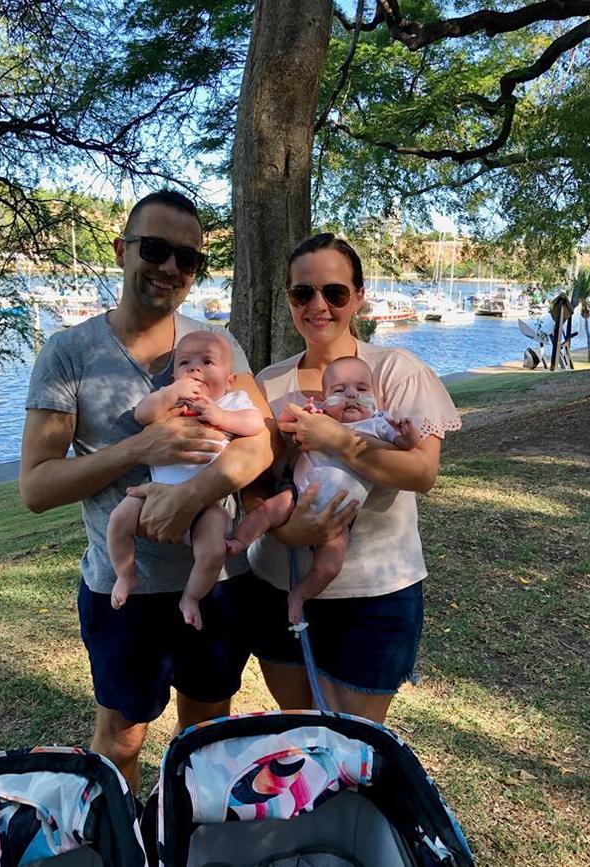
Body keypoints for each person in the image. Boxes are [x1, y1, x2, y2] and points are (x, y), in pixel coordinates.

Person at [20, 189, 272, 791]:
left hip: (213, 587)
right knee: (121, 739)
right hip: (123, 590)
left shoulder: (218, 344)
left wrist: (192, 495)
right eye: (155, 249)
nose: (170, 268)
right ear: (122, 250)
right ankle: (124, 834)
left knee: (206, 732)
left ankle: (184, 832)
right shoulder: (68, 353)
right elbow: (35, 485)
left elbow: (260, 443)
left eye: (188, 259)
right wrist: (139, 449)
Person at [237, 232, 461, 722]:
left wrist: (337, 439)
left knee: (356, 742)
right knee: (300, 729)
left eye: (334, 293)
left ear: (358, 297)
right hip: (276, 584)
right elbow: (250, 478)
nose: (318, 305)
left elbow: (422, 472)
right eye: (303, 293)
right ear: (290, 300)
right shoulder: (269, 381)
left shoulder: (396, 370)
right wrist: (280, 525)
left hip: (374, 594)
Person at [227, 355, 420, 625]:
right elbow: (283, 427)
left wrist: (408, 436)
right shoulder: (319, 417)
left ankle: (301, 594)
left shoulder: (378, 424)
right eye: (339, 391)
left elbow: (406, 449)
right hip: (299, 493)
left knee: (330, 565)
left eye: (362, 389)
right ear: (325, 397)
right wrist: (298, 414)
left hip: (341, 517)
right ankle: (238, 541)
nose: (351, 395)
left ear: (375, 397)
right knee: (269, 510)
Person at [108, 330, 264, 626]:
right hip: (152, 492)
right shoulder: (168, 401)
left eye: (207, 362)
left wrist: (220, 417)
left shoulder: (232, 401)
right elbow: (142, 414)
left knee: (213, 550)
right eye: (185, 363)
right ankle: (125, 575)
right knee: (118, 520)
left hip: (206, 504)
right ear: (173, 377)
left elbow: (255, 423)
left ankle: (191, 597)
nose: (195, 369)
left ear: (230, 380)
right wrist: (168, 395)